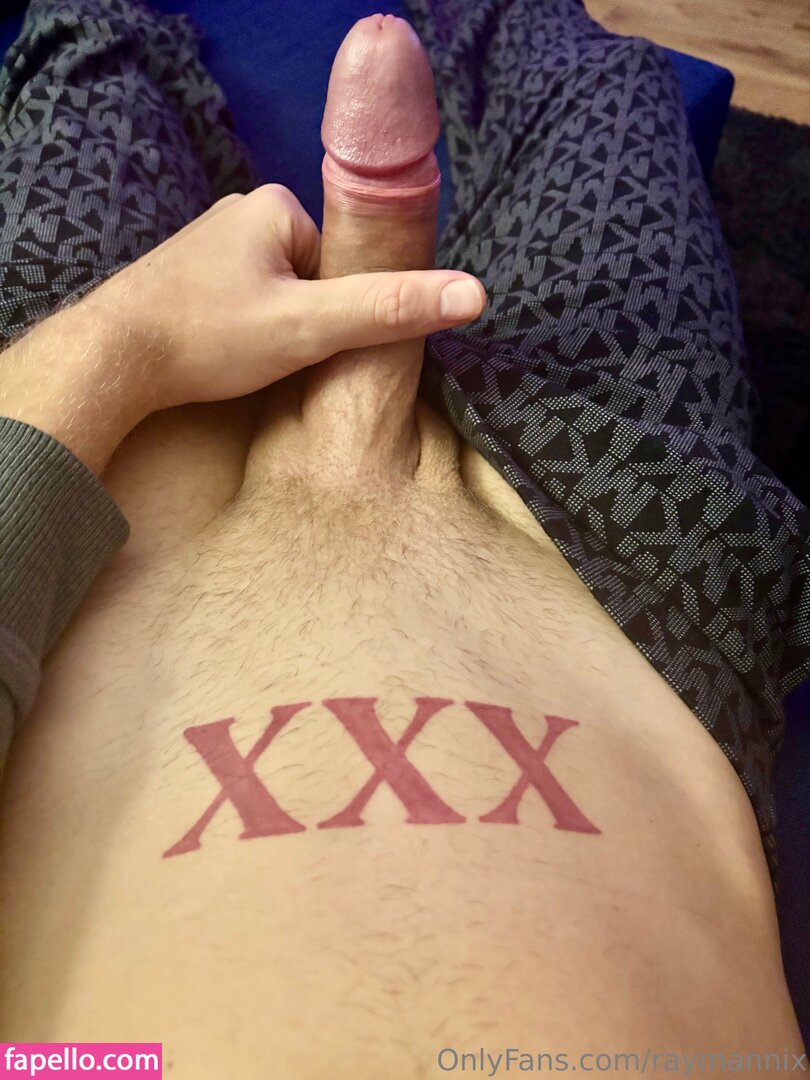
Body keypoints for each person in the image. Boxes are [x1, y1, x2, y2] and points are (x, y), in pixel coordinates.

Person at [0, 0, 806, 1072]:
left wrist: (117, 344)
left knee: (86, 58)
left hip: (79, 524)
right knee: (606, 89)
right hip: (641, 563)